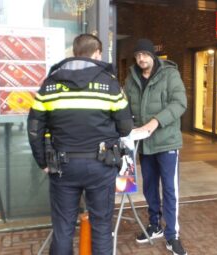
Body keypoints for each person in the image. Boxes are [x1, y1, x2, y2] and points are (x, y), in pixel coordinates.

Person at [27, 34, 133, 255]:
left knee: (63, 228)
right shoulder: (110, 84)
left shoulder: (50, 84)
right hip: (101, 165)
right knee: (102, 227)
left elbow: (35, 127)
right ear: (97, 53)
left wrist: (42, 162)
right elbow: (125, 127)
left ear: (75, 53)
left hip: (63, 166)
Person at [124, 38, 187, 255]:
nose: (141, 58)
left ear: (153, 55)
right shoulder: (131, 78)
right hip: (144, 144)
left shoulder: (170, 75)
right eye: (138, 55)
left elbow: (179, 103)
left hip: (167, 141)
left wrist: (155, 122)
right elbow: (124, 107)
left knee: (169, 189)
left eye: (145, 54)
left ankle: (172, 235)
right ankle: (155, 225)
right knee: (149, 187)